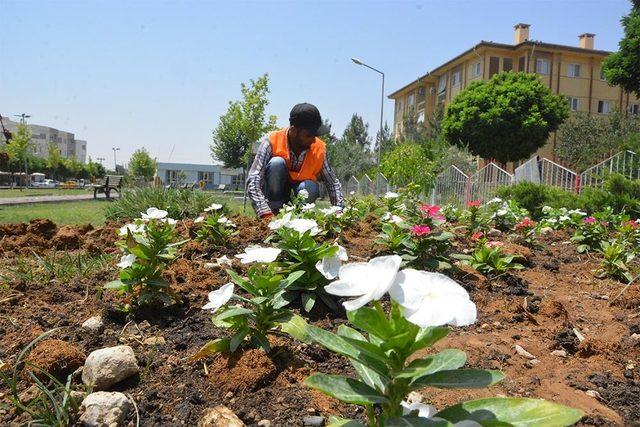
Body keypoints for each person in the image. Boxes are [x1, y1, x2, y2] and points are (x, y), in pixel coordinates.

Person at [246, 103, 344, 219]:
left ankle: (301, 219)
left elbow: (332, 182)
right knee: (276, 164)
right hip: (276, 195)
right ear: (293, 130)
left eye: (315, 135)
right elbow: (254, 178)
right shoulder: (272, 141)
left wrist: (339, 210)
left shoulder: (319, 147)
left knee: (310, 187)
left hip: (301, 192)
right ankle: (275, 213)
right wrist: (264, 212)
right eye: (308, 135)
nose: (313, 140)